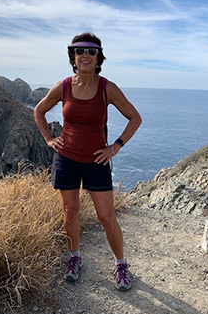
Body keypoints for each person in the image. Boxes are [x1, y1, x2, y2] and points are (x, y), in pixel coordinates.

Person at [33, 32, 142, 291]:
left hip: (97, 161)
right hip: (67, 158)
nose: (85, 55)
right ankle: (74, 257)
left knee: (106, 217)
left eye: (91, 52)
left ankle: (121, 264)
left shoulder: (107, 88)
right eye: (79, 50)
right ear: (72, 56)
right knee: (70, 212)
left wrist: (115, 147)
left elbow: (135, 118)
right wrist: (50, 139)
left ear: (98, 58)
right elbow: (39, 111)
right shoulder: (63, 87)